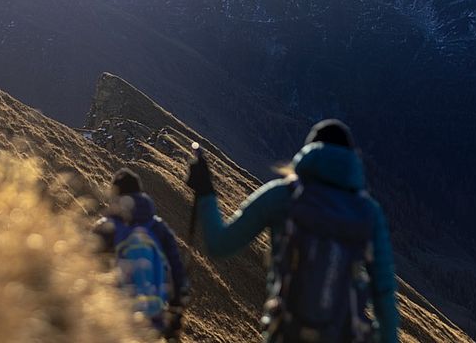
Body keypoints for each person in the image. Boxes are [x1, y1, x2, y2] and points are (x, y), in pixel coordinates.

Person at [186, 120, 399, 343]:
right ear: (352, 161)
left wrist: (205, 191)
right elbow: (383, 294)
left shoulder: (282, 196)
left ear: (308, 153)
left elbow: (220, 245)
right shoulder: (369, 213)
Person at [95, 169, 190, 341]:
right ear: (140, 193)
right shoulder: (159, 229)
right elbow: (177, 272)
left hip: (114, 319)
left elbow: (85, 267)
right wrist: (176, 313)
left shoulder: (106, 228)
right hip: (154, 321)